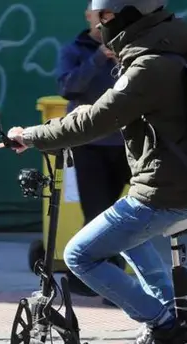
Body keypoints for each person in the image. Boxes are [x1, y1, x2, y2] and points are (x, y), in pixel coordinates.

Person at [2, 0, 187, 344]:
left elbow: (94, 120)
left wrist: (32, 135)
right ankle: (174, 321)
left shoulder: (149, 66)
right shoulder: (184, 51)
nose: (100, 24)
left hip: (167, 189)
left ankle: (163, 325)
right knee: (127, 238)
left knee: (79, 254)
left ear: (128, 17)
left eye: (104, 16)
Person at [56, 1, 131, 301]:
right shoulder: (74, 50)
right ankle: (105, 283)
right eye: (97, 15)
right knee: (98, 216)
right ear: (89, 17)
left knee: (134, 214)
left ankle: (122, 281)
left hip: (129, 144)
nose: (102, 21)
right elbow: (68, 87)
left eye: (108, 15)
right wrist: (100, 57)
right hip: (90, 146)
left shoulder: (132, 47)